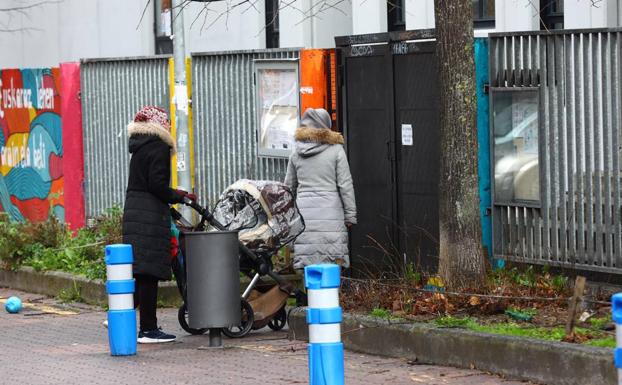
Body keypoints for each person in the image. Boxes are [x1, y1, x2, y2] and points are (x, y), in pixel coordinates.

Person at [122, 106, 194, 344]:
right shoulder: (159, 147)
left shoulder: (140, 146)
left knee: (142, 272)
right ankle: (148, 329)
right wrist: (179, 195)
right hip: (149, 215)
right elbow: (157, 185)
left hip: (135, 210)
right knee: (149, 272)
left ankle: (120, 314)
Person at [284, 108, 357, 269]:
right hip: (331, 214)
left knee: (307, 266)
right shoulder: (336, 150)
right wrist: (350, 215)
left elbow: (288, 188)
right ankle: (332, 293)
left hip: (304, 215)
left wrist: (288, 219)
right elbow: (345, 185)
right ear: (326, 126)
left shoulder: (296, 152)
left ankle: (308, 294)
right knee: (332, 266)